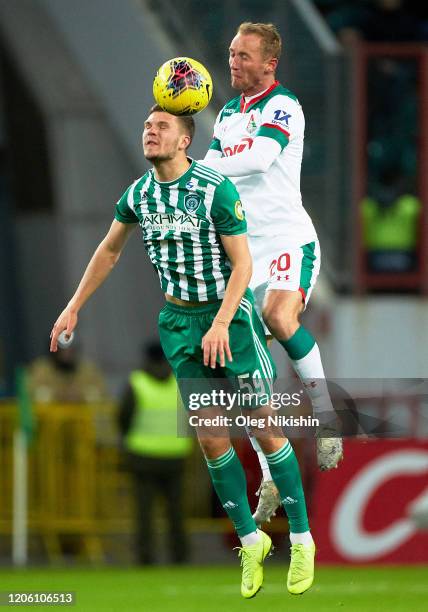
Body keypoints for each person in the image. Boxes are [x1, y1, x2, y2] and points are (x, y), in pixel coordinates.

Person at [49, 104, 315, 598]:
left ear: (184, 139)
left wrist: (219, 322)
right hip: (178, 324)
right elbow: (109, 250)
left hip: (228, 319)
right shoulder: (138, 194)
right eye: (146, 125)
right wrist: (73, 306)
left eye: (161, 126)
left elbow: (242, 265)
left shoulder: (215, 188)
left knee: (263, 425)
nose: (150, 132)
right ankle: (250, 542)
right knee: (211, 440)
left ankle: (301, 539)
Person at [201, 22, 343, 524]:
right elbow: (217, 171)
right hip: (244, 252)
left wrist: (202, 163)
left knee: (279, 317)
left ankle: (327, 419)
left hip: (287, 239)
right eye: (231, 53)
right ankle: (266, 473)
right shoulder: (226, 114)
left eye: (243, 56)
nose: (234, 62)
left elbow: (260, 159)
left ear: (269, 64)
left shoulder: (282, 105)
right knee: (245, 365)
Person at [118, 340, 193, 565]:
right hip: (175, 457)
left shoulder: (137, 383)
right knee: (176, 513)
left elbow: (123, 418)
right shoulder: (181, 381)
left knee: (144, 513)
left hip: (143, 457)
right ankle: (180, 557)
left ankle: (145, 557)